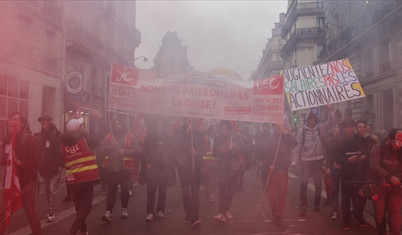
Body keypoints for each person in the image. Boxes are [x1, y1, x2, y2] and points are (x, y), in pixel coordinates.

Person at [0, 112, 42, 234]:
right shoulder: (7, 138)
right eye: (10, 119)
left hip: (27, 180)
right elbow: (5, 160)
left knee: (30, 210)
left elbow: (37, 162)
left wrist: (20, 163)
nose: (11, 122)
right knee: (3, 211)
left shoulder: (29, 139)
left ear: (22, 123)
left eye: (15, 119)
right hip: (10, 181)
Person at [60, 117, 101, 235]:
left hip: (73, 179)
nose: (83, 127)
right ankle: (72, 231)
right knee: (87, 207)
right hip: (87, 177)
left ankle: (83, 230)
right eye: (81, 126)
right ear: (79, 129)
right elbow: (100, 136)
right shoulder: (86, 138)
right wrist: (99, 118)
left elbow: (62, 160)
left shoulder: (63, 144)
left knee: (79, 207)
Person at [292, 104, 334, 216]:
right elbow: (298, 147)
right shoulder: (302, 132)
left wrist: (330, 109)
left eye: (313, 120)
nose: (311, 121)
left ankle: (316, 204)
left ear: (316, 121)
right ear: (307, 121)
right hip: (306, 161)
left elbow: (331, 122)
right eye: (310, 120)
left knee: (318, 184)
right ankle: (303, 205)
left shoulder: (320, 129)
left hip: (317, 161)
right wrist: (294, 161)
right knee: (304, 183)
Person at [98, 119, 141, 223]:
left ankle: (124, 209)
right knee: (111, 191)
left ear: (123, 125)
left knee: (125, 190)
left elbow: (138, 150)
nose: (116, 125)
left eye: (118, 123)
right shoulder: (109, 136)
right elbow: (100, 148)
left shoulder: (130, 136)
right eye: (114, 124)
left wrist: (125, 152)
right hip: (111, 169)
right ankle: (108, 212)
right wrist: (110, 147)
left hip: (124, 169)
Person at [335, 118, 370, 231]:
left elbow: (366, 153)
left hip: (359, 173)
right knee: (346, 199)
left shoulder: (360, 139)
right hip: (346, 174)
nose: (350, 129)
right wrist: (348, 160)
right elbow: (337, 158)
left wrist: (363, 157)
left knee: (362, 197)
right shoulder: (340, 141)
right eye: (348, 127)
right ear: (344, 129)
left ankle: (358, 215)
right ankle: (346, 221)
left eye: (351, 127)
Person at [261, 123, 297, 225]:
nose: (278, 129)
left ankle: (279, 216)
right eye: (276, 127)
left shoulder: (286, 138)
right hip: (273, 172)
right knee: (272, 196)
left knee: (281, 195)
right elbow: (265, 154)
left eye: (280, 127)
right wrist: (269, 165)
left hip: (284, 171)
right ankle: (274, 209)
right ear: (273, 127)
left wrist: (286, 133)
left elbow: (295, 143)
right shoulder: (270, 138)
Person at [142, 117, 176, 222]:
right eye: (158, 123)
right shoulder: (150, 136)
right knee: (151, 190)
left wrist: (168, 164)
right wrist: (147, 163)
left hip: (164, 167)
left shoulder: (168, 137)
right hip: (152, 167)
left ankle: (161, 210)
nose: (160, 126)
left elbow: (172, 151)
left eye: (162, 124)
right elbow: (145, 150)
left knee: (163, 190)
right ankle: (150, 212)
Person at [174, 118, 205, 228]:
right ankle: (188, 214)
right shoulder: (178, 133)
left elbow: (203, 149)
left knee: (195, 192)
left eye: (190, 120)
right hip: (183, 167)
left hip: (195, 167)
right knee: (186, 192)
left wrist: (196, 152)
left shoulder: (198, 134)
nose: (188, 122)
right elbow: (176, 148)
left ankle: (196, 216)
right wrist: (186, 135)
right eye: (186, 119)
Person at [371, 129, 402, 235]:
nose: (398, 146)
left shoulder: (400, 149)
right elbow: (374, 166)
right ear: (389, 139)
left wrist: (398, 179)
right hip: (380, 185)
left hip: (395, 187)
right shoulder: (378, 147)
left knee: (395, 213)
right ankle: (382, 232)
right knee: (379, 214)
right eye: (396, 142)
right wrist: (389, 177)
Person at [35, 115, 64, 223]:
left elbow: (62, 150)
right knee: (47, 190)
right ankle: (51, 209)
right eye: (41, 121)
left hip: (55, 166)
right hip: (45, 167)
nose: (43, 122)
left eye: (45, 120)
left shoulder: (57, 134)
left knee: (52, 189)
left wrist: (61, 164)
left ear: (49, 121)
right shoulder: (40, 136)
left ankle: (52, 212)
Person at [213, 121, 242, 223]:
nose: (224, 130)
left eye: (226, 128)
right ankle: (221, 212)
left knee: (230, 190)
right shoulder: (217, 138)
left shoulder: (235, 138)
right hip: (221, 168)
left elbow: (241, 151)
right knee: (221, 190)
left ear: (229, 129)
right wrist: (219, 149)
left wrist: (234, 146)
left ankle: (227, 209)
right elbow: (214, 153)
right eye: (222, 128)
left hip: (232, 168)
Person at [325, 124, 342, 220]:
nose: (336, 129)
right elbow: (329, 155)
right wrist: (328, 167)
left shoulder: (345, 140)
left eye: (337, 127)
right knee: (335, 190)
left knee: (345, 192)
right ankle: (335, 211)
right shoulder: (332, 141)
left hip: (344, 168)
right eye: (335, 127)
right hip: (334, 168)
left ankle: (343, 210)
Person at [201, 128, 218, 203]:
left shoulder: (213, 142)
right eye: (204, 136)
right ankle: (207, 189)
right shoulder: (201, 144)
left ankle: (212, 195)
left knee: (213, 180)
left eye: (206, 136)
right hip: (205, 165)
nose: (205, 137)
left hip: (213, 165)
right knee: (206, 180)